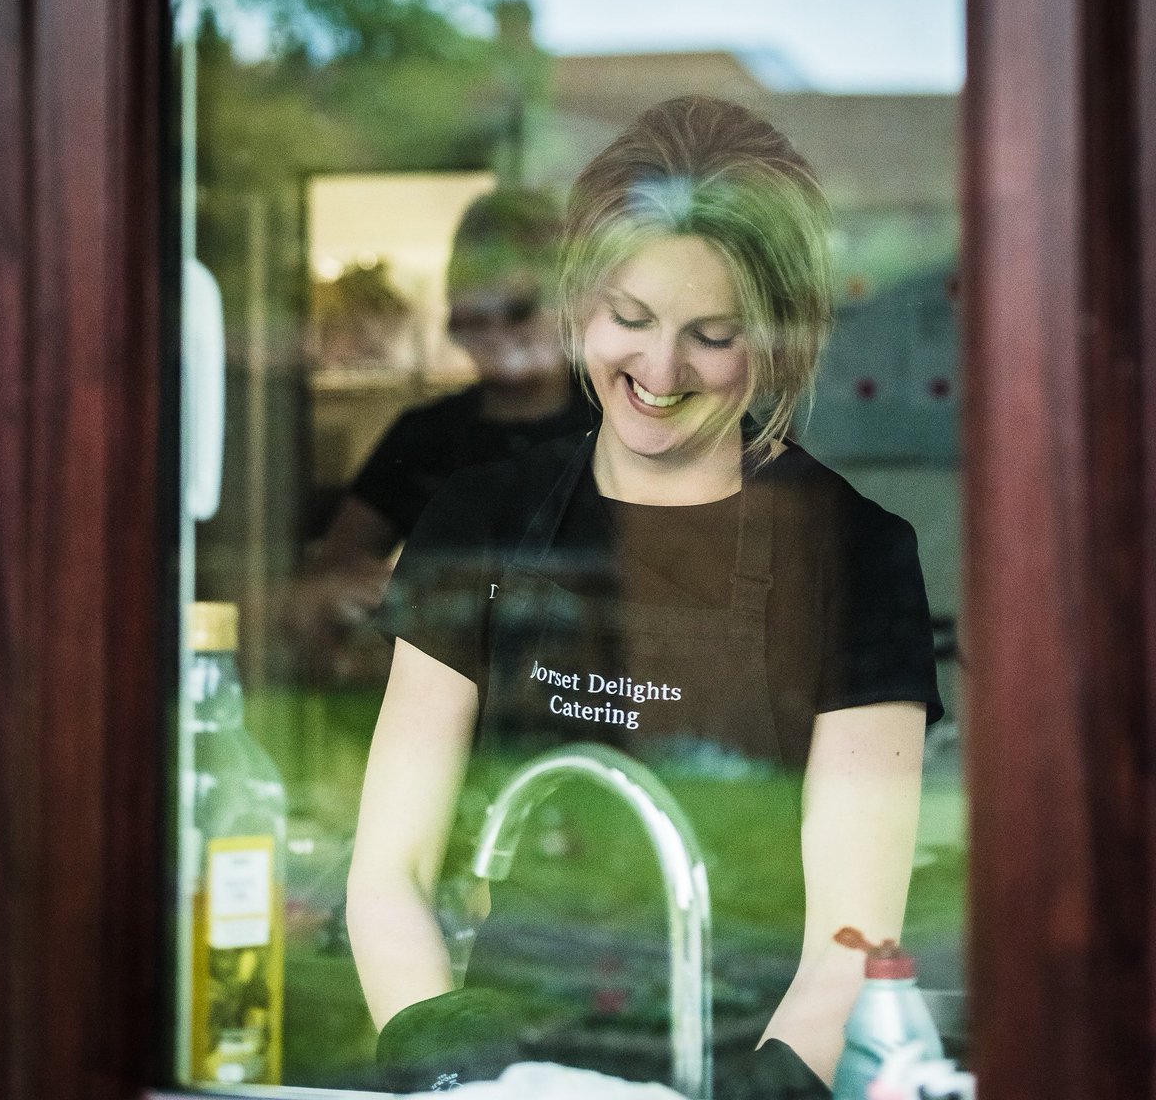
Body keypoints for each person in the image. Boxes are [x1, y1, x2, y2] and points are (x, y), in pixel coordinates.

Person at [347, 96, 942, 1097]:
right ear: (582, 303)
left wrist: (777, 1082)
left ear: (778, 342)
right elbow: (389, 872)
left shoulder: (857, 555)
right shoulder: (478, 520)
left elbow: (852, 938)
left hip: (741, 1062)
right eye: (629, 320)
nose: (659, 370)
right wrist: (441, 1048)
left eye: (711, 335)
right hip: (512, 1072)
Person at [288, 188, 596, 682]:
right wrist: (349, 593)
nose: (496, 333)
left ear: (566, 302)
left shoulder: (620, 421)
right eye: (474, 315)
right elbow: (329, 577)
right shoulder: (424, 437)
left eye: (517, 308)